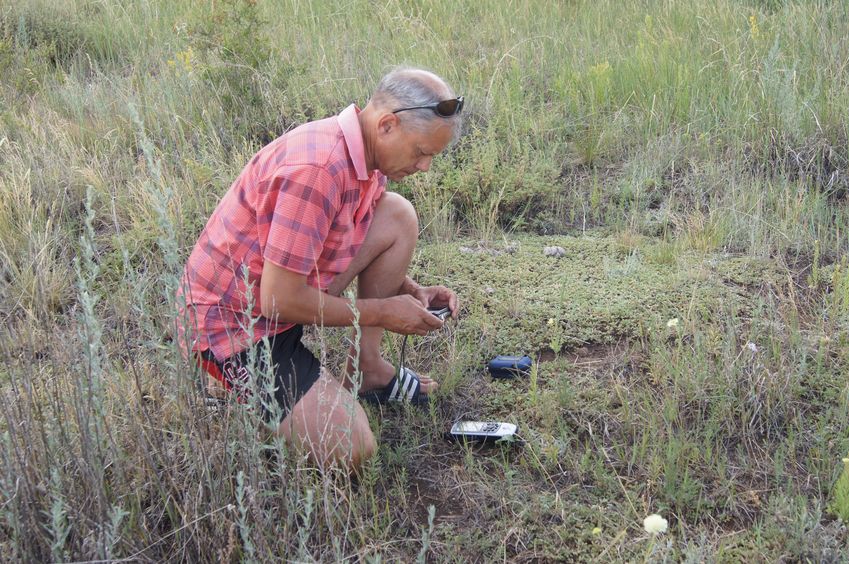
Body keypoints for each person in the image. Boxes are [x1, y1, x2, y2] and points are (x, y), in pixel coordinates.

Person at [178, 67, 463, 473]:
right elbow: (278, 300)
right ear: (387, 125)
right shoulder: (318, 169)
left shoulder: (364, 152)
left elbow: (344, 232)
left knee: (397, 216)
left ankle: (366, 370)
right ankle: (229, 386)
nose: (425, 167)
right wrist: (382, 311)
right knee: (352, 449)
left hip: (280, 294)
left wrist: (407, 288)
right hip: (236, 328)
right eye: (421, 152)